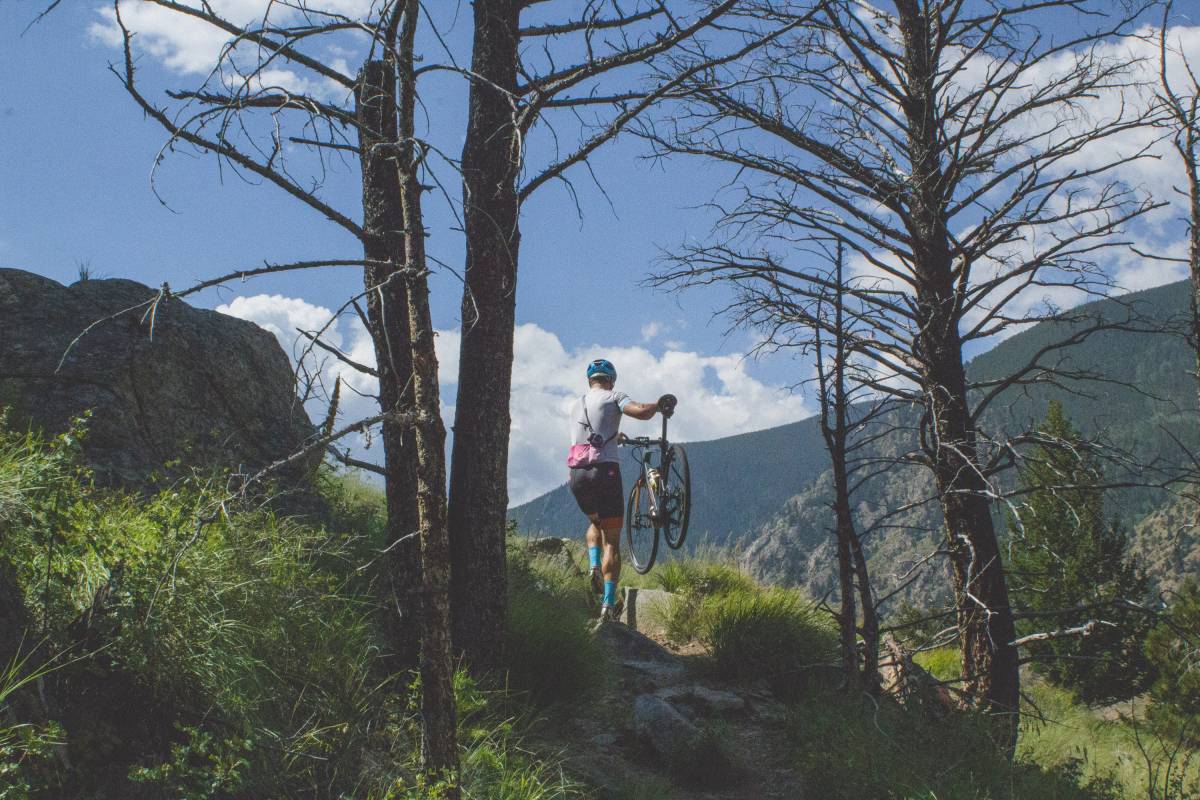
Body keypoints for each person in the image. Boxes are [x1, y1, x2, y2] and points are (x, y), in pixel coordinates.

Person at [567, 358, 663, 621]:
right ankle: (608, 605)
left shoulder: (576, 403)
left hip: (577, 474)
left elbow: (590, 434)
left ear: (590, 380)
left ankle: (593, 564)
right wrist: (659, 404)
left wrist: (615, 434)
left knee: (595, 522)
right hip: (605, 472)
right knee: (612, 539)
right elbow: (640, 411)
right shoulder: (614, 396)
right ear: (611, 380)